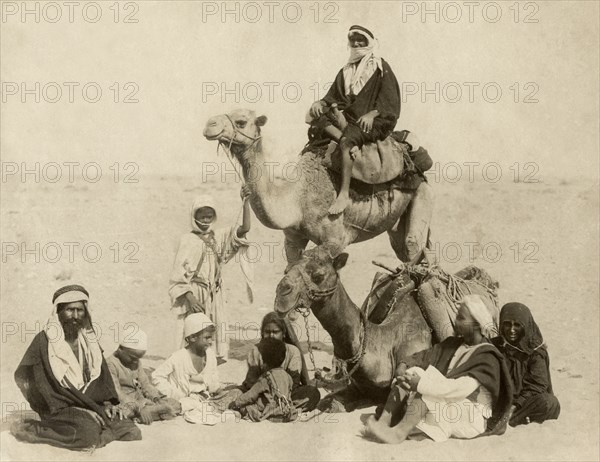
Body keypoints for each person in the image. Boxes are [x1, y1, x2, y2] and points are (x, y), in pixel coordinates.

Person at [365, 294, 512, 444]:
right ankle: (383, 423)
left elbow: (459, 389)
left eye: (461, 318)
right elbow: (424, 356)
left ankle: (398, 433)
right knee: (413, 373)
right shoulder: (454, 344)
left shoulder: (487, 356)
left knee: (427, 388)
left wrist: (420, 384)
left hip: (470, 415)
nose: (456, 322)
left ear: (477, 325)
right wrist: (404, 366)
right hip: (450, 401)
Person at [11, 285, 141, 451]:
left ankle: (99, 430)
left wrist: (108, 404)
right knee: (87, 432)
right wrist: (48, 404)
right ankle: (32, 429)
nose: (75, 316)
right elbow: (26, 376)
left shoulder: (90, 342)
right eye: (69, 310)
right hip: (59, 407)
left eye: (79, 310)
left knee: (130, 430)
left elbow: (102, 378)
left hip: (91, 403)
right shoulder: (43, 342)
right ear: (58, 312)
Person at [307, 25, 400, 214]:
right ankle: (344, 139)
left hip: (374, 120)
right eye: (353, 39)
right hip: (350, 118)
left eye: (361, 39)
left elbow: (391, 101)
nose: (357, 43)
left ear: (370, 42)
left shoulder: (380, 66)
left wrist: (373, 114)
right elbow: (333, 97)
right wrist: (319, 102)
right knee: (313, 115)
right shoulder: (346, 70)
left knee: (348, 141)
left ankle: (344, 194)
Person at [168, 189, 252, 360]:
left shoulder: (219, 237)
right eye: (202, 216)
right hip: (194, 295)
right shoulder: (186, 240)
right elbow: (177, 277)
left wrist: (246, 203)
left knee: (211, 338)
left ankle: (208, 372)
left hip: (215, 295)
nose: (205, 220)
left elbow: (244, 229)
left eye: (209, 216)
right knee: (192, 335)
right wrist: (190, 298)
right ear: (194, 216)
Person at [492, 302, 560, 427]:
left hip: (524, 403)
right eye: (507, 324)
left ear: (525, 326)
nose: (511, 330)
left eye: (517, 325)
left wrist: (515, 406)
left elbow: (537, 386)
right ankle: (515, 418)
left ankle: (513, 418)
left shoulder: (535, 351)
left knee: (549, 403)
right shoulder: (496, 345)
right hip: (501, 399)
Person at [242, 312, 320, 412]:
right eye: (267, 332)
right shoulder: (255, 351)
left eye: (275, 332)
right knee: (235, 393)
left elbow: (294, 383)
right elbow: (251, 383)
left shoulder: (292, 351)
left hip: (285, 394)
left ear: (283, 334)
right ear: (262, 333)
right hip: (260, 393)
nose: (271, 336)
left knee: (313, 393)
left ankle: (272, 408)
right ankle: (281, 409)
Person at [106, 329, 181, 425]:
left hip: (143, 400)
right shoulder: (110, 364)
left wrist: (157, 399)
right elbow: (118, 393)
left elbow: (145, 384)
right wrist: (140, 407)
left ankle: (150, 412)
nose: (135, 362)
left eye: (138, 359)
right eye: (132, 358)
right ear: (120, 349)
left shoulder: (136, 362)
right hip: (126, 403)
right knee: (123, 412)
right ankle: (148, 414)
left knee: (174, 403)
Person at [152, 313, 223, 412]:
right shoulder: (178, 357)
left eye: (211, 338)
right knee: (179, 406)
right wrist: (173, 394)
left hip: (203, 397)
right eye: (207, 338)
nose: (211, 342)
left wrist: (216, 390)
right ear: (193, 338)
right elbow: (156, 376)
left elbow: (213, 376)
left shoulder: (210, 355)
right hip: (182, 400)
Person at [231, 338, 296, 422]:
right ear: (283, 359)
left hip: (270, 414)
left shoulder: (266, 378)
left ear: (264, 360)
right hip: (285, 412)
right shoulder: (287, 376)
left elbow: (251, 395)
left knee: (246, 408)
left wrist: (236, 403)